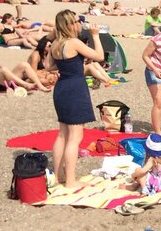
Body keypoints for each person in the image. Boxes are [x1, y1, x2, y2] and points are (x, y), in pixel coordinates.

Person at [50, 10, 105, 189]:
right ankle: (71, 180)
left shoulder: (55, 43)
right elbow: (99, 56)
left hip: (61, 88)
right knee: (75, 137)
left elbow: (48, 66)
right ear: (70, 24)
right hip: (74, 89)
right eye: (77, 21)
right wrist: (95, 36)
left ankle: (58, 176)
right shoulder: (73, 42)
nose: (80, 24)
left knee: (62, 134)